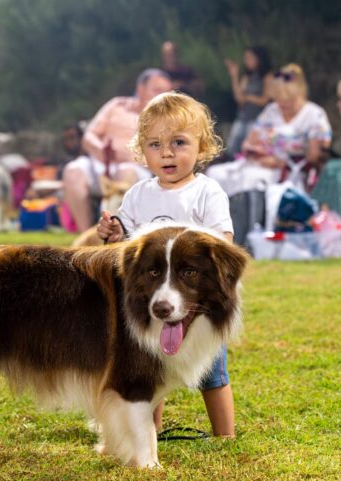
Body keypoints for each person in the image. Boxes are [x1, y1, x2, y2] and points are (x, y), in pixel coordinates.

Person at [97, 91, 235, 437]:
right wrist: (113, 230)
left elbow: (222, 242)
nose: (167, 153)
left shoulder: (207, 192)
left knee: (213, 374)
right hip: (155, 302)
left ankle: (225, 434)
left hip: (194, 304)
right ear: (142, 151)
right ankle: (151, 432)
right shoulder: (139, 194)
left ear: (202, 147)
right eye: (155, 145)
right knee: (150, 368)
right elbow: (126, 238)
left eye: (178, 142)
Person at [206, 63, 332, 229]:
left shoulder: (314, 115)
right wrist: (256, 151)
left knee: (252, 180)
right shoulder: (271, 111)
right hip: (258, 163)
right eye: (278, 98)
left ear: (299, 93)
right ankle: (218, 227)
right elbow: (248, 142)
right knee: (215, 174)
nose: (282, 104)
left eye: (287, 99)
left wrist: (281, 162)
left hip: (288, 171)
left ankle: (250, 228)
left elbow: (315, 157)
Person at [62, 69, 172, 232]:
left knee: (125, 172)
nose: (161, 96)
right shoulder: (116, 105)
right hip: (99, 163)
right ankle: (85, 236)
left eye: (166, 93)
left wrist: (131, 156)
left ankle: (109, 234)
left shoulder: (166, 118)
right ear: (140, 88)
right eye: (156, 90)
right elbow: (89, 136)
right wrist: (100, 150)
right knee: (73, 170)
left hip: (135, 168)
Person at [224, 46, 273, 158]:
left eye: (250, 58)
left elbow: (265, 100)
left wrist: (249, 97)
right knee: (231, 148)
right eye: (246, 58)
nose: (247, 61)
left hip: (257, 120)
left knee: (250, 150)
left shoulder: (267, 77)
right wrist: (234, 77)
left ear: (259, 59)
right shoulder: (247, 77)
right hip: (242, 117)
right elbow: (239, 99)